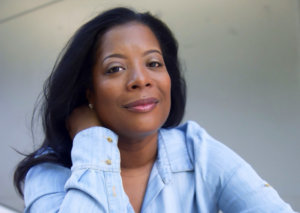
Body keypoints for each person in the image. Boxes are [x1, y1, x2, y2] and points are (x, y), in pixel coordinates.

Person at [14, 7, 296, 213]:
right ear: (89, 92)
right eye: (116, 68)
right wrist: (92, 140)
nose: (141, 79)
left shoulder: (198, 151)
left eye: (154, 64)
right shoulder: (49, 171)